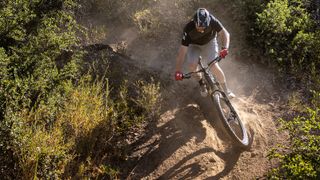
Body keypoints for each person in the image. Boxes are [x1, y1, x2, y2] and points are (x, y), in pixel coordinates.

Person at [174, 8, 235, 98]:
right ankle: (201, 83)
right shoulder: (188, 28)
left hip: (210, 43)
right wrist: (178, 71)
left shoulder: (212, 20)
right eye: (199, 27)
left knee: (213, 66)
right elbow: (182, 51)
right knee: (192, 66)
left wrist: (225, 48)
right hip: (194, 45)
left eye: (204, 27)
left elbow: (225, 33)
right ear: (194, 22)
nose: (202, 30)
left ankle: (226, 90)